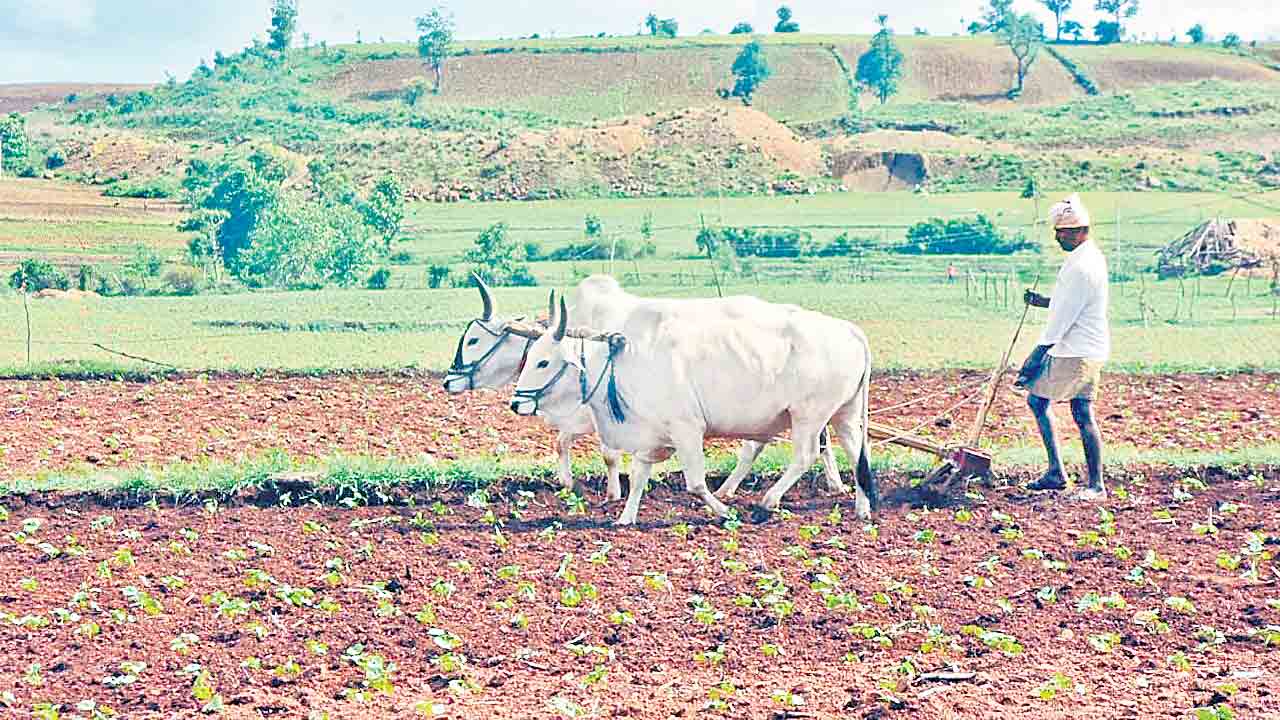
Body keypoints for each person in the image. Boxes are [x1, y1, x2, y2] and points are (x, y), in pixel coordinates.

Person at [1016, 193, 1110, 501]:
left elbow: (1064, 318)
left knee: (1062, 407)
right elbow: (1068, 304)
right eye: (1057, 232)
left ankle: (1092, 484)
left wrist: (1035, 356)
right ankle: (1059, 473)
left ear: (1083, 230)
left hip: (1076, 349)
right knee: (1067, 407)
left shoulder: (1082, 267)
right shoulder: (1085, 259)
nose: (1059, 238)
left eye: (1065, 233)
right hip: (1083, 345)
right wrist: (1043, 301)